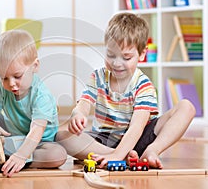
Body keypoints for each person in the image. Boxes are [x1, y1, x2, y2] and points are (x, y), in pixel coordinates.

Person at [55, 12, 195, 169]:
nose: (117, 63)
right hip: (104, 139)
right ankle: (120, 156)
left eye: (126, 58)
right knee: (61, 136)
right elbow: (85, 102)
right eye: (110, 55)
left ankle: (151, 151)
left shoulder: (143, 86)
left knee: (186, 107)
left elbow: (137, 126)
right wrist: (78, 113)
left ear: (142, 54)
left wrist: (117, 156)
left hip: (139, 139)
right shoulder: (98, 77)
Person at [0, 29, 67, 177]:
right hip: (12, 134)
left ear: (34, 66)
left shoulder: (41, 96)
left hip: (38, 143)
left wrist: (22, 155)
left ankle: (11, 160)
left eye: (17, 76)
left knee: (57, 155)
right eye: (4, 78)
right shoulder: (1, 88)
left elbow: (36, 131)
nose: (11, 84)